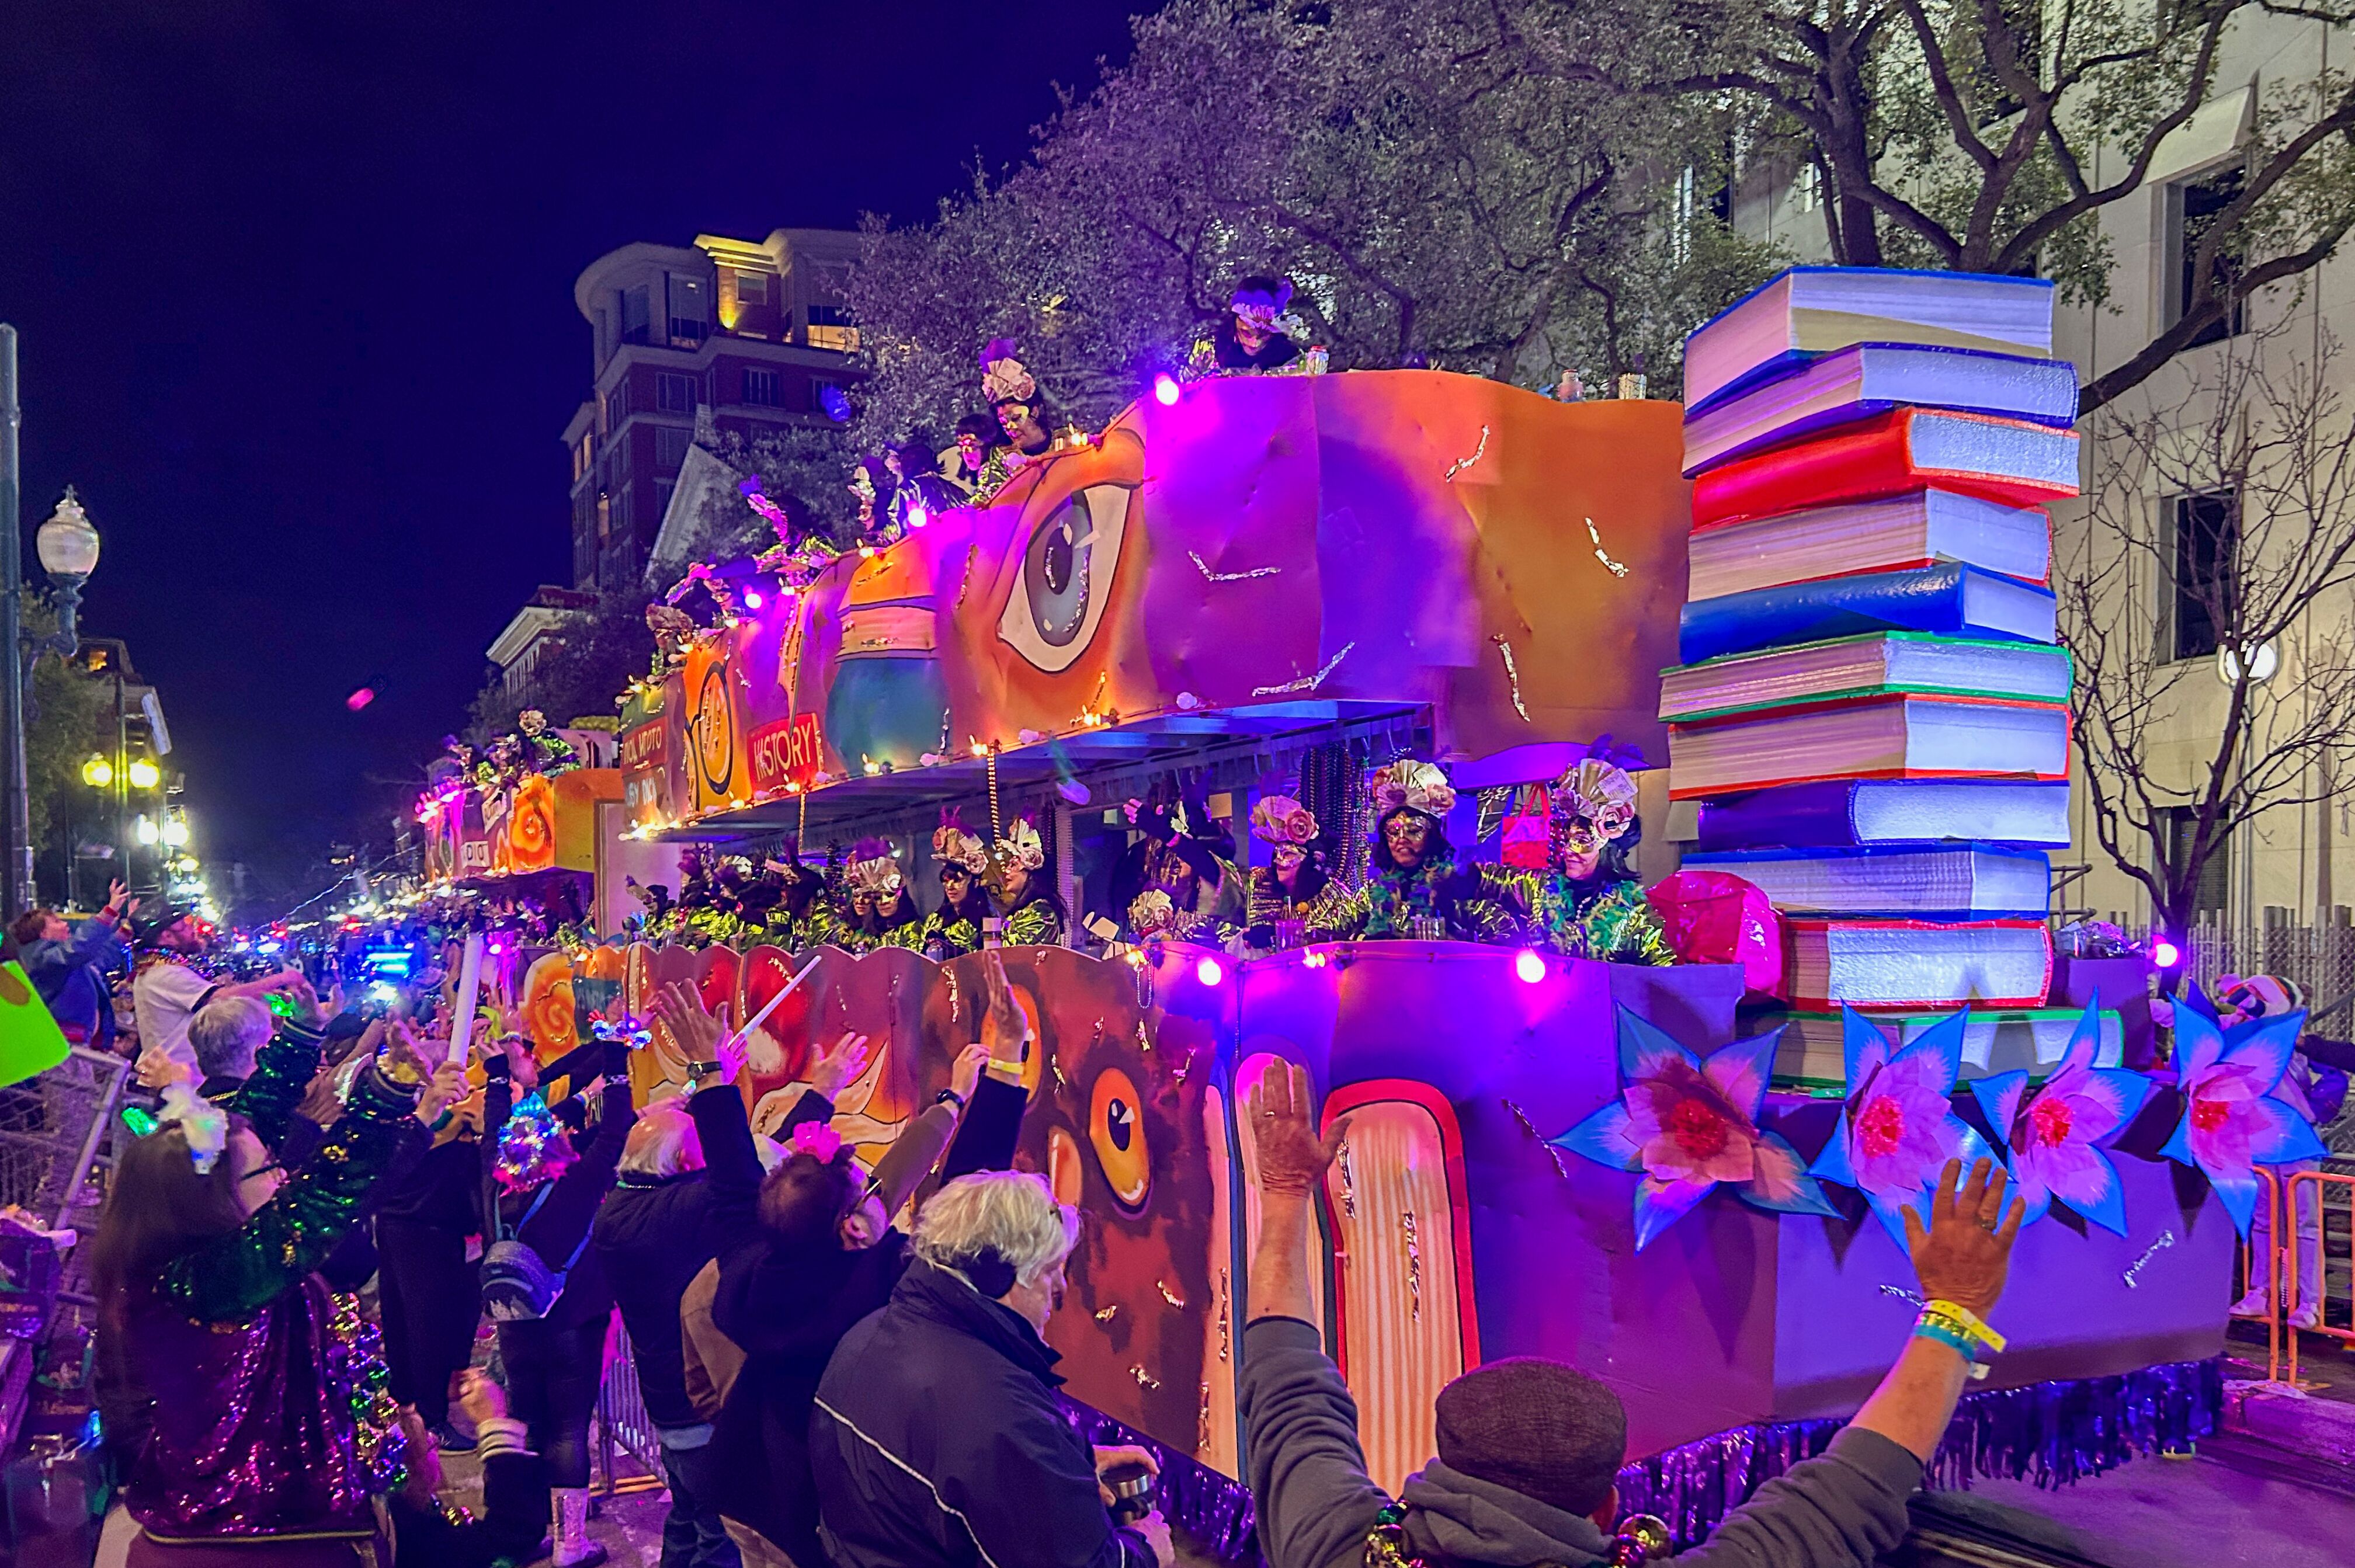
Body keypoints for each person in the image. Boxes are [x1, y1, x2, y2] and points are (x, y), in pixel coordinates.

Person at [1235, 1059, 2025, 1568]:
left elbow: (1287, 1390)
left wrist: (1281, 1201)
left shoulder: (1335, 1548)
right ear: (1610, 1505)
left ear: (1433, 1473)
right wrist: (1954, 1311)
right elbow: (1849, 1495)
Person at [669, 958, 1024, 1568]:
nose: (880, 1191)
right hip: (820, 1509)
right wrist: (1009, 1063)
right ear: (853, 1229)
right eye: (868, 1190)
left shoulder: (753, 1265)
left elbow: (731, 1177)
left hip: (749, 1490)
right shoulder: (882, 1288)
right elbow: (964, 1209)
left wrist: (708, 1072)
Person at [90, 1020, 466, 1562]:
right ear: (213, 1202)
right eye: (271, 1170)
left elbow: (241, 1135)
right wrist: (384, 1094)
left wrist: (298, 1035)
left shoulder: (194, 1256)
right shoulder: (206, 1282)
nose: (286, 1177)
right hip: (252, 1546)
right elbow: (321, 1197)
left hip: (272, 1529)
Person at [594, 992, 873, 1568]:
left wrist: (715, 1082)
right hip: (704, 1424)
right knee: (715, 1545)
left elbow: (739, 1177)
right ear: (683, 1167)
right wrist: (816, 1093)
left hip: (666, 1410)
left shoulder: (620, 1208)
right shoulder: (683, 1214)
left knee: (687, 1519)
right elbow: (747, 1182)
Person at [810, 1167, 1173, 1568]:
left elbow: (951, 1472)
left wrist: (1063, 1466)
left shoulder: (867, 1335)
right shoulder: (1000, 1413)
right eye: (1052, 1269)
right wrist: (1144, 1550)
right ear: (1000, 1276)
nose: (1061, 1289)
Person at [485, 1028, 636, 1568]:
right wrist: (617, 1055)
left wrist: (498, 1074)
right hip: (575, 1320)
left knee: (527, 1418)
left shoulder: (495, 1185)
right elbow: (618, 1125)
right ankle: (571, 1541)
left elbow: (493, 1128)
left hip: (516, 1321)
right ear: (556, 1142)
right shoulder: (580, 1181)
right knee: (570, 1425)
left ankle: (526, 1531)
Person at [1471, 757, 1677, 964]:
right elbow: (1484, 879)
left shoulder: (1632, 912)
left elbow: (1664, 973)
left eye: (1581, 841)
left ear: (1608, 850)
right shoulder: (1541, 886)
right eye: (1567, 840)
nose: (1569, 850)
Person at [1321, 761, 1513, 943]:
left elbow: (1504, 931)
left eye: (1414, 830)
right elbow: (1327, 927)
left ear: (1432, 836)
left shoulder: (1455, 882)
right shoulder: (1373, 893)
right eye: (1393, 831)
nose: (1401, 839)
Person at [387, 1369, 550, 1568]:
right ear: (407, 1469)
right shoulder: (406, 1528)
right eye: (426, 1441)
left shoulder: (390, 1516)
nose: (435, 1440)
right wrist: (494, 1423)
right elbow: (508, 1536)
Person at [130, 908, 298, 1080]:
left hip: (178, 1078)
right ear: (167, 936)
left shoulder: (161, 970)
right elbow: (220, 1000)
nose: (192, 928)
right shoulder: (165, 973)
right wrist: (282, 979)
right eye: (184, 925)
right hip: (176, 1082)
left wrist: (264, 996)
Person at [12, 879, 137, 1049]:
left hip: (80, 1043)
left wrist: (129, 926)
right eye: (56, 921)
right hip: (64, 1046)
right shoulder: (43, 958)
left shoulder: (65, 961)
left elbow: (102, 957)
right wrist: (109, 911)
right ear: (44, 933)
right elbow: (80, 947)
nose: (65, 924)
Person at [922, 810, 993, 959]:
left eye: (957, 880)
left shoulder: (987, 922)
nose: (950, 886)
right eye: (946, 880)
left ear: (975, 883)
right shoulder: (935, 919)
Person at [989, 816, 1067, 947]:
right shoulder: (1026, 910)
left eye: (1013, 865)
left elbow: (1020, 955)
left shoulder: (1041, 911)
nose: (1007, 871)